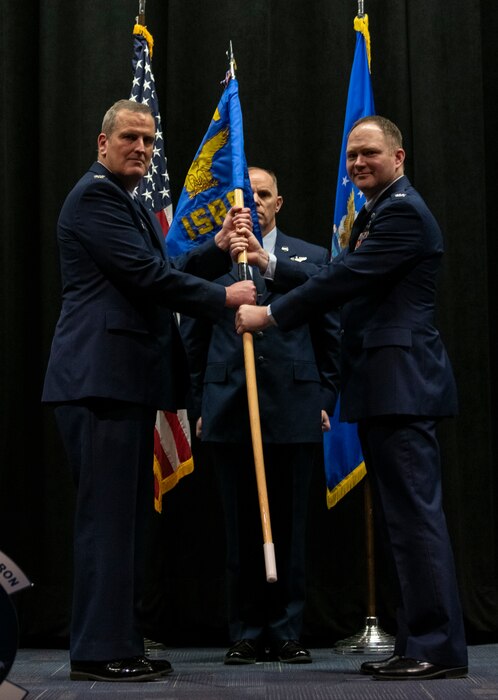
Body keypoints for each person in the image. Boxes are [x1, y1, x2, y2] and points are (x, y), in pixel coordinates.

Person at [234, 118, 468, 681]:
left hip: (402, 382)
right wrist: (270, 265)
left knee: (415, 521)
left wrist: (269, 312)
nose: (358, 162)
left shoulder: (403, 212)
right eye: (352, 154)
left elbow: (344, 280)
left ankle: (436, 646)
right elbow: (337, 272)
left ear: (399, 156)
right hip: (385, 384)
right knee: (402, 523)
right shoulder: (380, 210)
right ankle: (419, 639)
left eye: (370, 153)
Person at [42, 99, 256, 682]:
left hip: (121, 381)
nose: (141, 148)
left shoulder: (123, 201)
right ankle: (96, 650)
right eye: (131, 138)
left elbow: (163, 264)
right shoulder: (94, 197)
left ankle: (118, 641)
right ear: (101, 142)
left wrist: (212, 250)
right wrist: (223, 300)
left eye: (149, 141)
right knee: (107, 521)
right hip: (100, 380)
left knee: (124, 521)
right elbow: (147, 277)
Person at [180, 167, 341, 665]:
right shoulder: (214, 262)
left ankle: (288, 630)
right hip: (229, 405)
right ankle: (246, 631)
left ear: (279, 202)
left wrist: (325, 398)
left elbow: (330, 328)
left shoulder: (309, 257)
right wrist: (199, 404)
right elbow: (194, 341)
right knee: (239, 529)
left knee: (291, 528)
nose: (254, 202)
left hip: (294, 406)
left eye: (264, 195)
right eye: (245, 196)